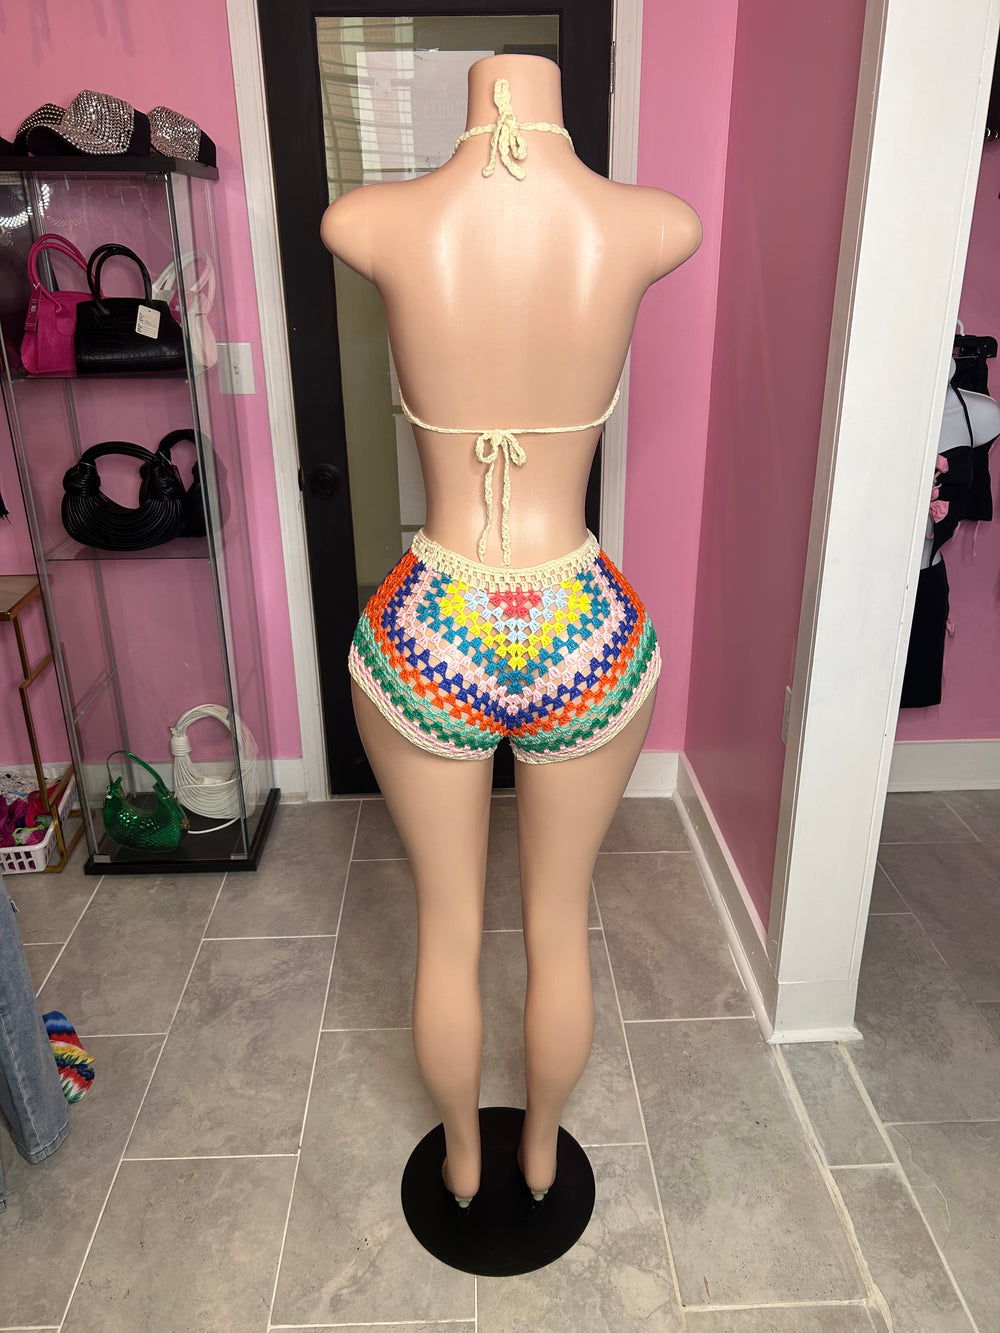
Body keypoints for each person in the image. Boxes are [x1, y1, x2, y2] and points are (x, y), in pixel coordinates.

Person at [321, 53, 701, 1207]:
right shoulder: (648, 224)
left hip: (434, 622)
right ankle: (539, 1151)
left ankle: (461, 1155)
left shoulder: (373, 220)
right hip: (580, 625)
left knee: (445, 926)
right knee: (557, 920)